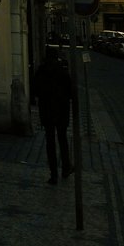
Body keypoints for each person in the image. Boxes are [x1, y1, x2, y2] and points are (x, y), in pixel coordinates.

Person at [32, 46, 74, 185]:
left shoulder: (42, 71)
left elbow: (35, 91)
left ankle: (53, 174)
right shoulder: (62, 71)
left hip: (47, 111)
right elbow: (70, 91)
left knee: (50, 142)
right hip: (61, 111)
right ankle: (66, 167)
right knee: (62, 139)